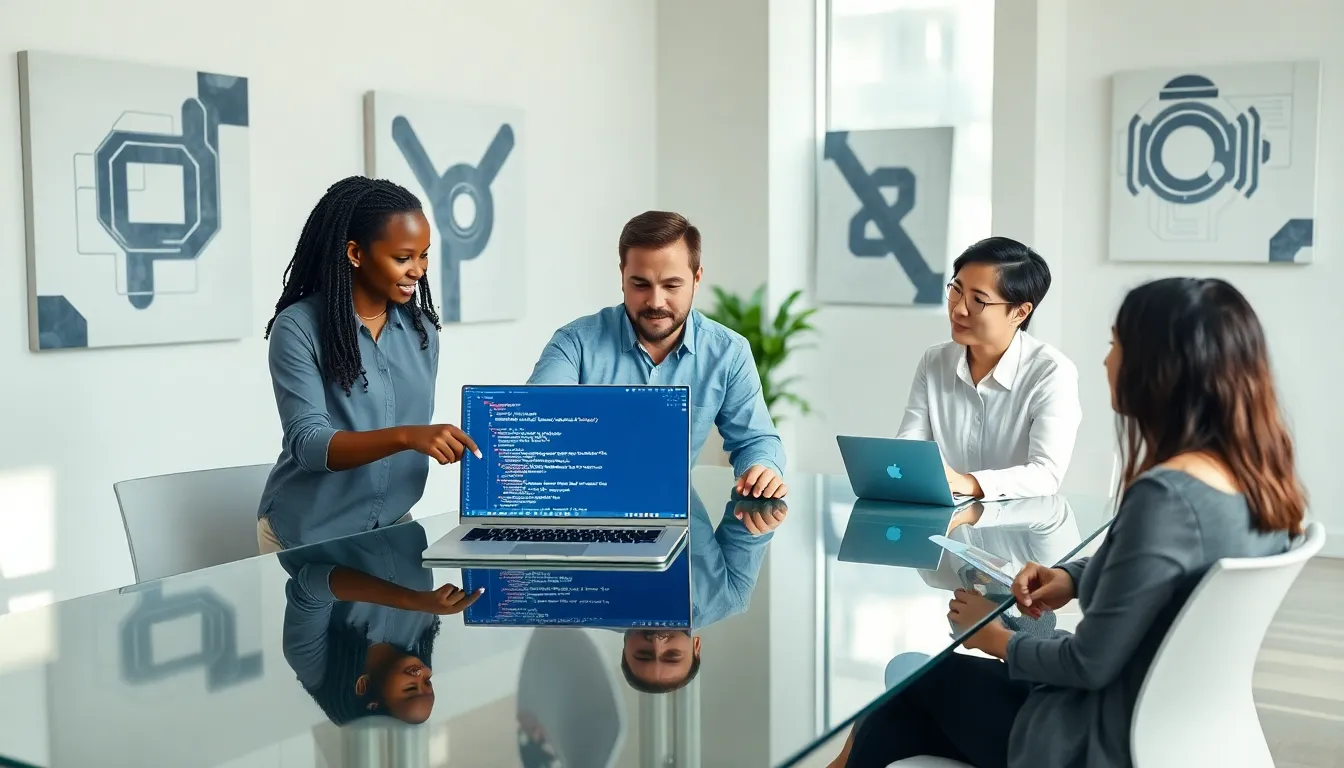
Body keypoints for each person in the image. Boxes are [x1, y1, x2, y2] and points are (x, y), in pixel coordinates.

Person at [831, 277, 1306, 768]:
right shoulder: (1255, 480)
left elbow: (1088, 662)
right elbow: (1155, 572)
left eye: (1115, 345)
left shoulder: (1164, 499)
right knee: (904, 710)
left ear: (1159, 369)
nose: (1106, 361)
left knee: (911, 685)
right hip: (1164, 723)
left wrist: (998, 641)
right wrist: (1071, 577)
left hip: (1094, 736)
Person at [257, 176, 481, 553]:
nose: (418, 270)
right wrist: (409, 437)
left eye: (424, 254)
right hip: (308, 535)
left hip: (392, 529)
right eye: (402, 258)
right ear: (355, 253)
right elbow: (309, 445)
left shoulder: (422, 331)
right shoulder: (297, 328)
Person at [527, 211, 787, 499]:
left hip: (678, 516)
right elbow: (538, 423)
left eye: (672, 285)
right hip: (582, 505)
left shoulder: (728, 352)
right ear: (622, 277)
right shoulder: (574, 343)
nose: (655, 301)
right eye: (640, 284)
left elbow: (756, 440)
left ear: (696, 278)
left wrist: (762, 468)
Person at [897, 237, 1081, 500]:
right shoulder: (934, 361)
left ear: (1020, 312)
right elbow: (910, 446)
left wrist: (969, 483)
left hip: (1019, 532)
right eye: (956, 290)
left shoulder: (1051, 373)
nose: (958, 309)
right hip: (945, 529)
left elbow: (1046, 474)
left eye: (978, 301)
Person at [279, 522, 484, 725]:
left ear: (368, 698)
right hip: (392, 506)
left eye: (411, 688)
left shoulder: (317, 666)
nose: (421, 673)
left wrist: (412, 600)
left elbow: (309, 588)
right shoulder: (418, 642)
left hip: (322, 515)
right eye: (427, 682)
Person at [620, 491, 783, 693]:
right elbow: (751, 509)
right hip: (670, 462)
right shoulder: (730, 596)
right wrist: (763, 513)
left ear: (625, 648)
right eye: (672, 655)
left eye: (643, 654)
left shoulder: (582, 603)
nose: (657, 642)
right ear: (695, 647)